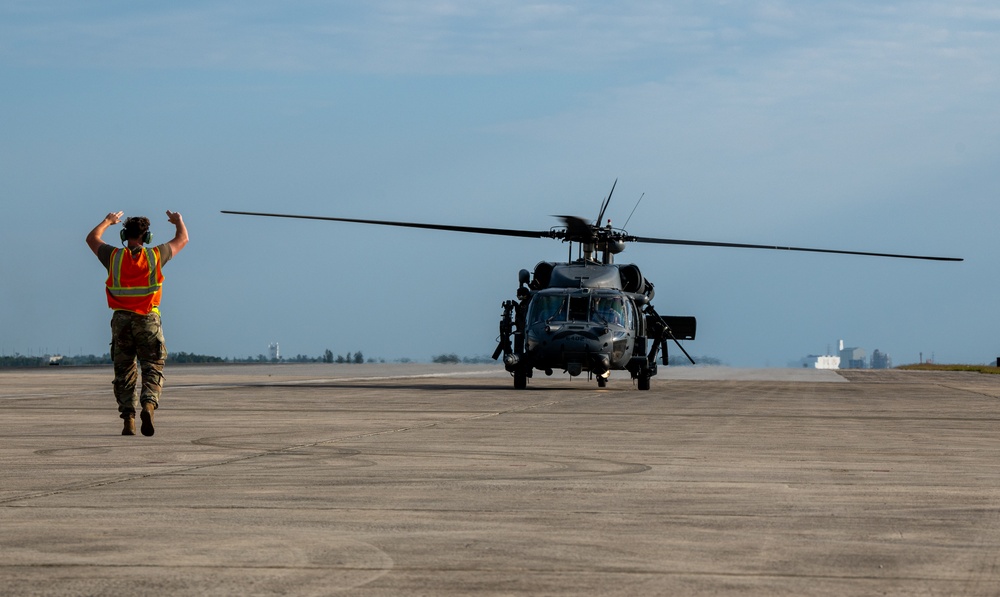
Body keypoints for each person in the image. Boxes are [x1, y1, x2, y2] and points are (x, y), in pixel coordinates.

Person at [86, 211, 188, 436]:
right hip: (148, 319)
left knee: (124, 370)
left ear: (124, 234)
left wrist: (107, 221)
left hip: (121, 320)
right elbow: (183, 239)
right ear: (147, 237)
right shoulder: (155, 255)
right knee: (152, 366)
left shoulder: (113, 257)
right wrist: (178, 221)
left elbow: (92, 239)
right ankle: (149, 404)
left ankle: (128, 420)